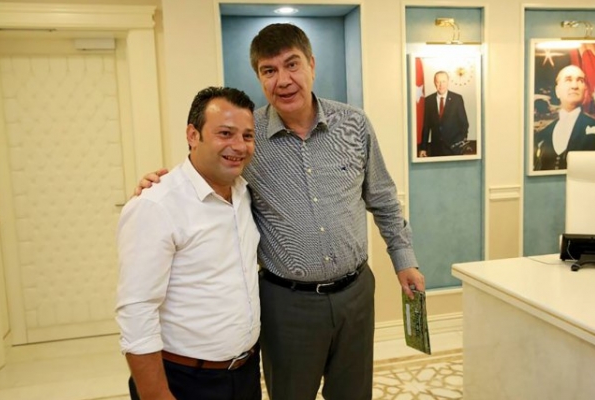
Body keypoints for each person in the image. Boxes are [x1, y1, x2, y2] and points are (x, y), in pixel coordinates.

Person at [136, 23, 425, 400]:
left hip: (356, 293)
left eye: (292, 64)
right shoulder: (247, 135)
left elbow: (383, 198)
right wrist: (156, 184)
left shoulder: (354, 124)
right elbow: (202, 172)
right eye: (269, 70)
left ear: (311, 65)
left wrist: (404, 260)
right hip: (286, 305)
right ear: (259, 77)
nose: (283, 80)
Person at [116, 87, 261, 400]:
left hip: (245, 374)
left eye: (247, 136)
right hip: (185, 381)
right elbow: (137, 309)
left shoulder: (245, 193)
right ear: (193, 135)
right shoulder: (156, 204)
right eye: (225, 133)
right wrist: (156, 394)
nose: (239, 145)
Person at [534, 64, 595, 171]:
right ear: (557, 91)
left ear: (585, 91)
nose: (574, 86)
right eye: (568, 80)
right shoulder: (543, 134)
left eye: (580, 80)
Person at [418, 71, 469, 157]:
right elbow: (426, 126)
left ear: (448, 82)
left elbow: (464, 124)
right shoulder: (428, 101)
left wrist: (460, 145)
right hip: (436, 149)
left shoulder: (457, 99)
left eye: (443, 81)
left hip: (454, 150)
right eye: (438, 82)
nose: (441, 85)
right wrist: (423, 148)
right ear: (435, 83)